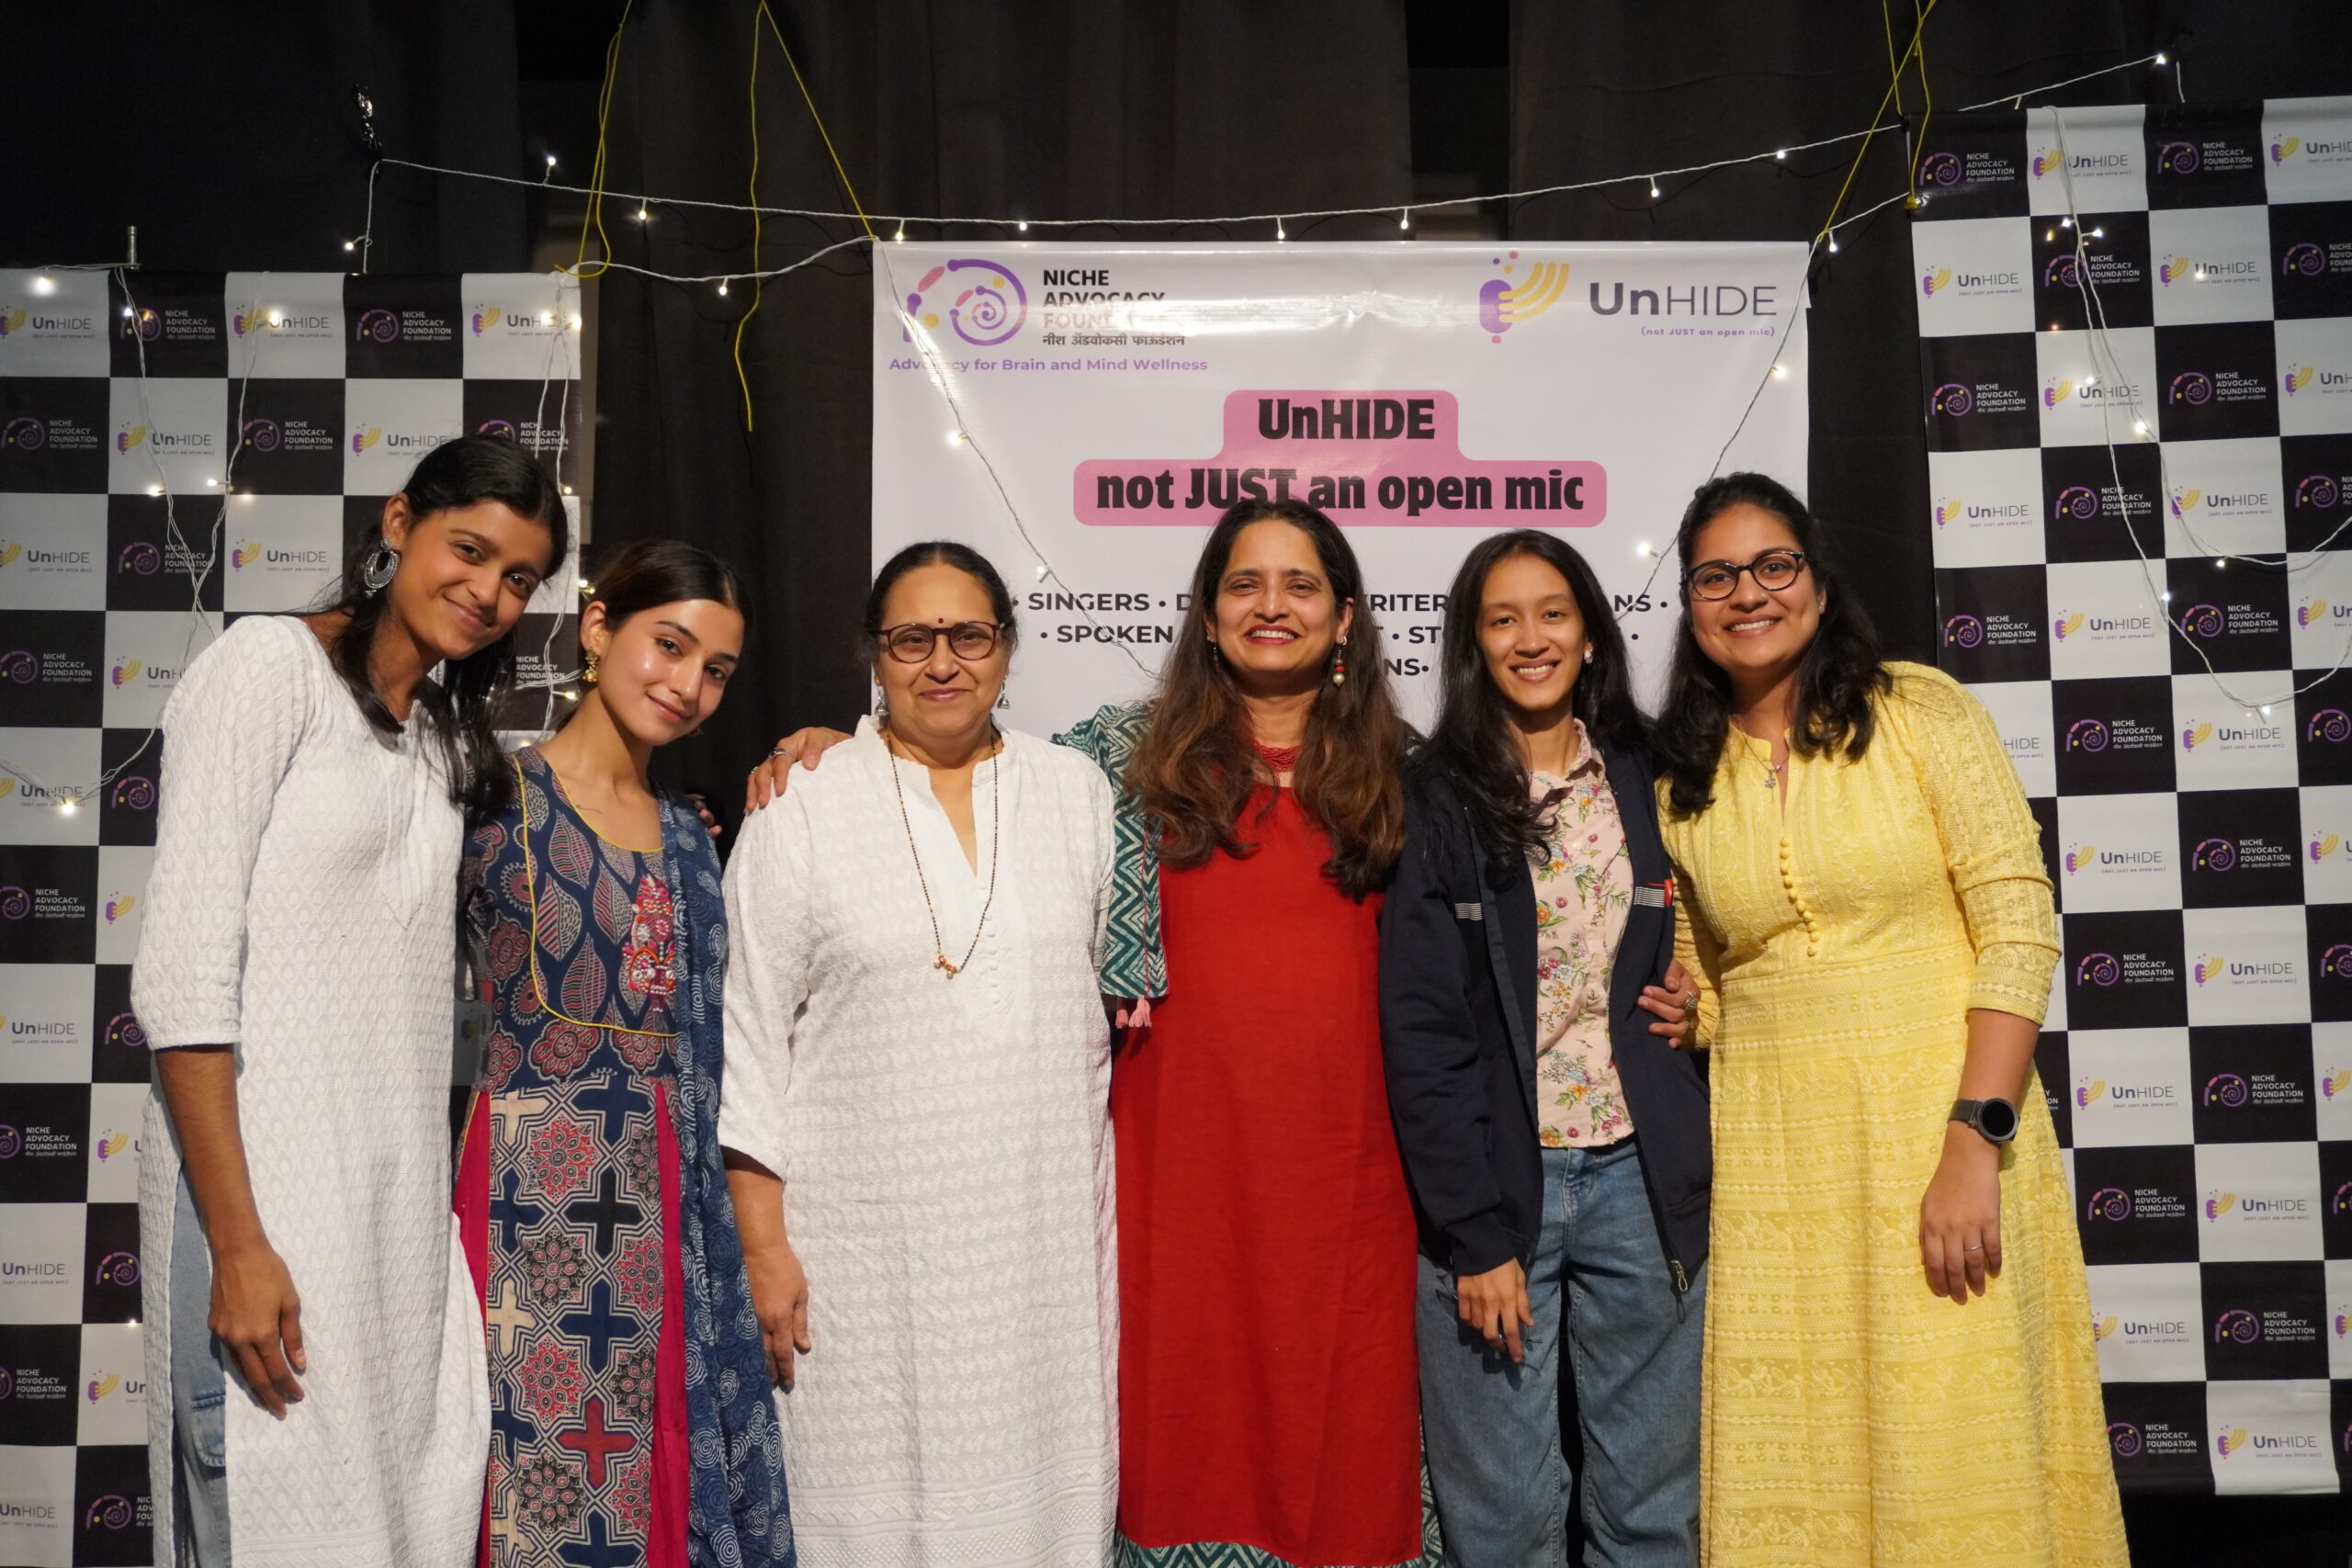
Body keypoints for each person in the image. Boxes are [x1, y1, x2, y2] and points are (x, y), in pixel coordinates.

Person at [747, 501, 1438, 1568]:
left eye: (1299, 585)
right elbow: (949, 756)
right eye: (1243, 584)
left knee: (1347, 1435)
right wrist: (837, 746)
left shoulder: (1412, 774)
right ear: (1204, 614)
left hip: (1350, 1177)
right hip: (1175, 1178)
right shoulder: (1121, 761)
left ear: (1344, 617)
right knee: (1182, 1433)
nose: (1270, 606)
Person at [1651, 474, 2126, 1566]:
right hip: (1778, 1174)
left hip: (1938, 1139)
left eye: (1773, 565)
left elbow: (2017, 926)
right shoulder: (1684, 778)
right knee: (1805, 1461)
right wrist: (1685, 1006)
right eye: (1716, 576)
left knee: (1952, 1445)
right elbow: (1716, 978)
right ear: (1688, 605)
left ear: (1817, 583)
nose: (1747, 593)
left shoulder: (1918, 711)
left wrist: (1973, 1141)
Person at [132, 434, 568, 1566]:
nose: (488, 591)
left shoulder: (441, 741)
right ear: (398, 524)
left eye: (519, 577)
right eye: (468, 550)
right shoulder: (267, 669)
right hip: (257, 1212)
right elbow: (182, 982)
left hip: (390, 1239)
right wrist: (239, 1246)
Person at [718, 542, 1118, 1565]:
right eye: (911, 639)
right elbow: (747, 1037)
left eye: (968, 635)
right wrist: (762, 1247)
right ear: (874, 655)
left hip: (1042, 1257)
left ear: (1007, 649)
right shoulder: (802, 803)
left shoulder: (1077, 792)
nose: (942, 662)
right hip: (859, 1264)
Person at [452, 539, 789, 1567]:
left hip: (677, 1201)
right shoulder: (487, 804)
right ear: (598, 629)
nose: (687, 685)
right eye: (669, 646)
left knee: (665, 1481)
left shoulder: (695, 835)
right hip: (532, 1194)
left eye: (716, 670)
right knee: (540, 1488)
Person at [1381, 530, 1703, 1568]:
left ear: (1592, 632)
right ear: (1473, 645)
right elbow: (1423, 1031)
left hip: (1640, 1178)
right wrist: (1473, 1234)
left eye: (1553, 613)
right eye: (1503, 619)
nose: (1532, 639)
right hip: (1499, 1193)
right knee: (1506, 1521)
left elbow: (1727, 925)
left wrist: (1700, 997)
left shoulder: (1649, 774)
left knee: (1652, 1510)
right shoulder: (1437, 794)